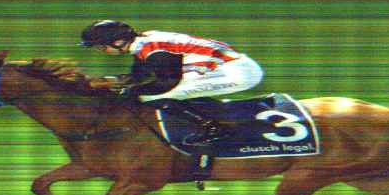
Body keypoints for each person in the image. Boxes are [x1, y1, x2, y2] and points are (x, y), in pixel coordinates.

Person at [83, 20, 265, 144]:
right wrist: (110, 81)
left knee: (155, 97)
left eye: (101, 47)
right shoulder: (144, 42)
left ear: (118, 42)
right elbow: (139, 75)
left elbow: (166, 84)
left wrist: (131, 91)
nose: (101, 51)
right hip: (227, 66)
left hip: (238, 73)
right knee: (157, 93)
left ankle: (214, 129)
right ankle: (214, 117)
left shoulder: (153, 50)